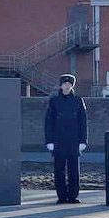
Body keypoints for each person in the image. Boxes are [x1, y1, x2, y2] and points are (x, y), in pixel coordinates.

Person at [44, 74, 88, 204]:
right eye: (65, 83)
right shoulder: (54, 101)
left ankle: (73, 196)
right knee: (59, 170)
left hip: (74, 140)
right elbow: (48, 122)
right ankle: (62, 196)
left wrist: (83, 140)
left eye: (69, 84)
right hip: (58, 140)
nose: (67, 86)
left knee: (74, 170)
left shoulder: (78, 101)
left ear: (72, 85)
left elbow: (83, 122)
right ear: (61, 85)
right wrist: (49, 141)